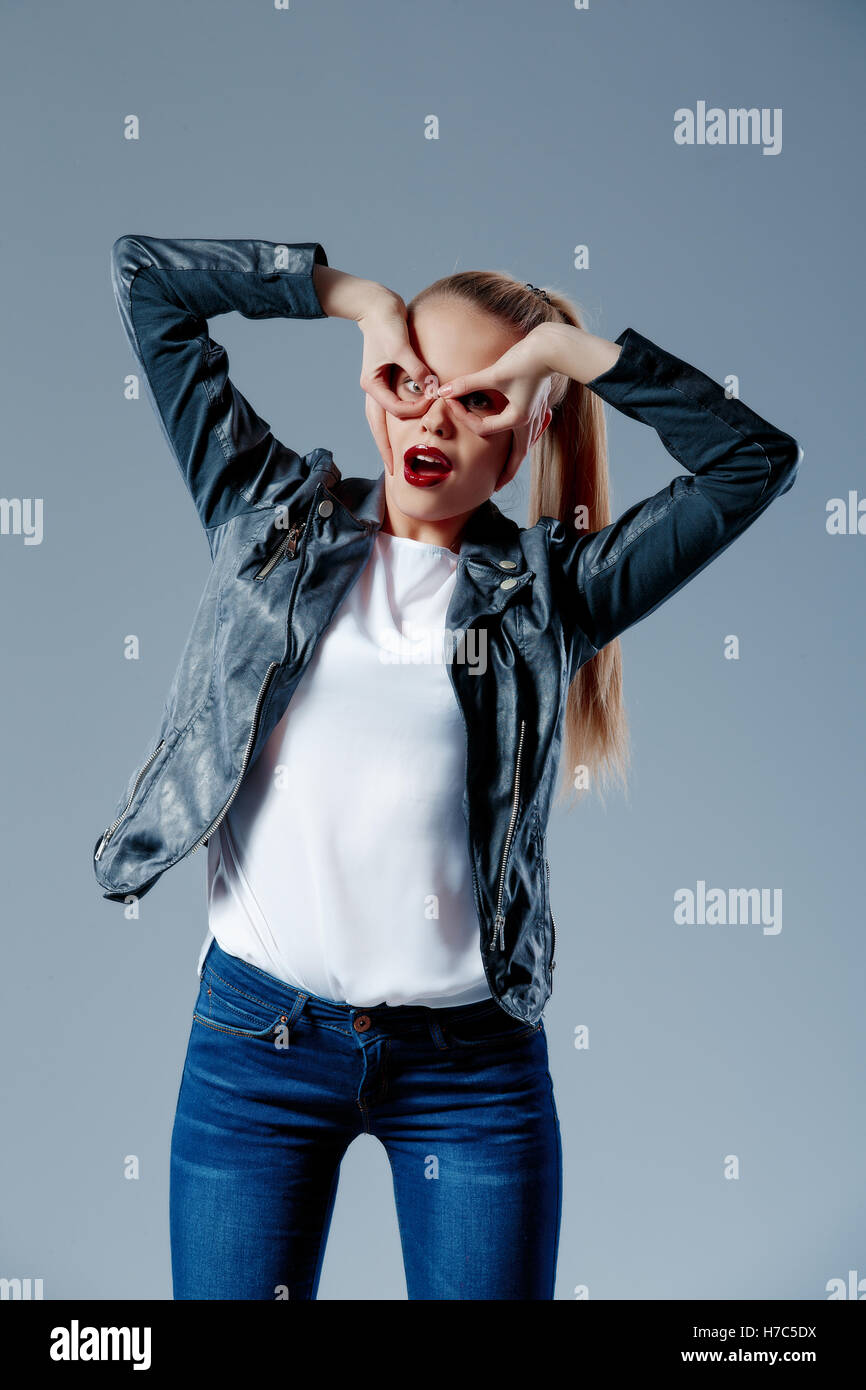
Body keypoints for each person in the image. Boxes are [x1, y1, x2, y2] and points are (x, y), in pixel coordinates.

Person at [94, 235, 801, 1299]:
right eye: (415, 385)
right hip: (257, 1050)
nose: (433, 422)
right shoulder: (261, 517)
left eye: (480, 402)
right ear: (378, 387)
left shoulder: (552, 592)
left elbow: (752, 463)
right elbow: (148, 280)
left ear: (525, 437)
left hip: (467, 1072)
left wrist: (575, 352)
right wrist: (350, 297)